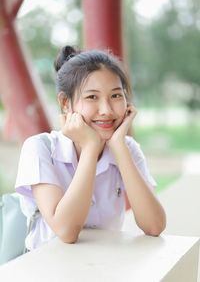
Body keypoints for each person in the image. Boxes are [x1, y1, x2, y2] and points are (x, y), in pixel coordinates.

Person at [15, 46, 166, 251]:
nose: (106, 110)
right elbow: (67, 232)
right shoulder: (39, 148)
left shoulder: (126, 148)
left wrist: (120, 147)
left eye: (115, 96)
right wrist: (90, 147)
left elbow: (154, 225)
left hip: (103, 269)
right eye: (92, 97)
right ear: (65, 103)